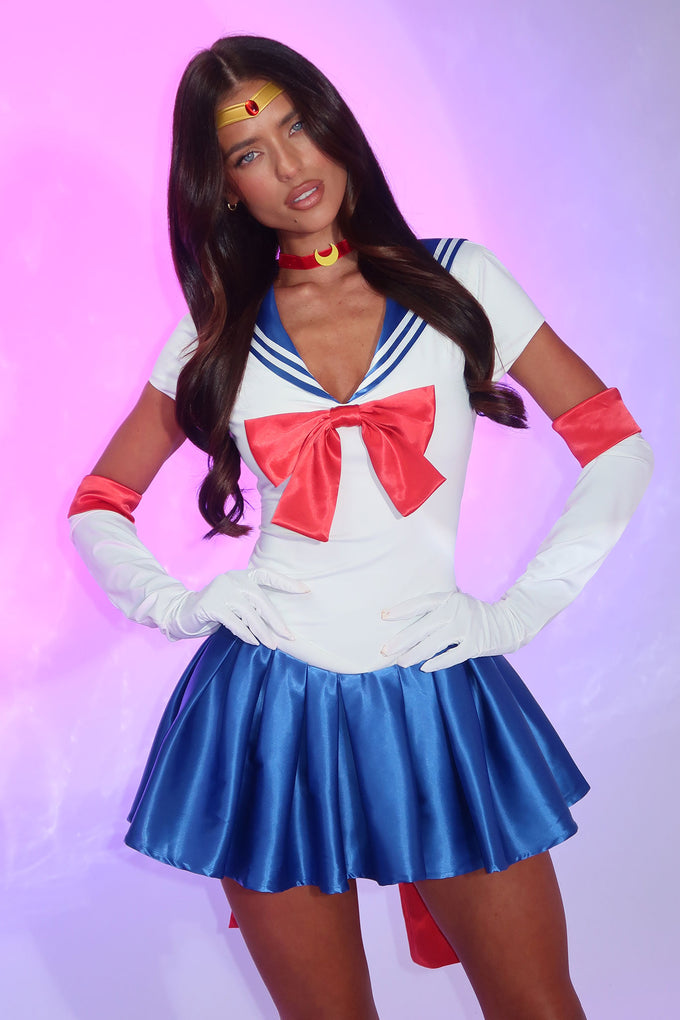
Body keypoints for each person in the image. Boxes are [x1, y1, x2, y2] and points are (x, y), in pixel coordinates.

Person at [68, 35, 653, 1020]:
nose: (289, 164)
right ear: (224, 190)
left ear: (333, 125)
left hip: (438, 691)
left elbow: (617, 447)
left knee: (539, 1007)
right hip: (265, 716)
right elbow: (98, 504)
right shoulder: (216, 332)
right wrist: (180, 605)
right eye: (249, 153)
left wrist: (519, 612)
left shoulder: (459, 276)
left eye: (297, 126)